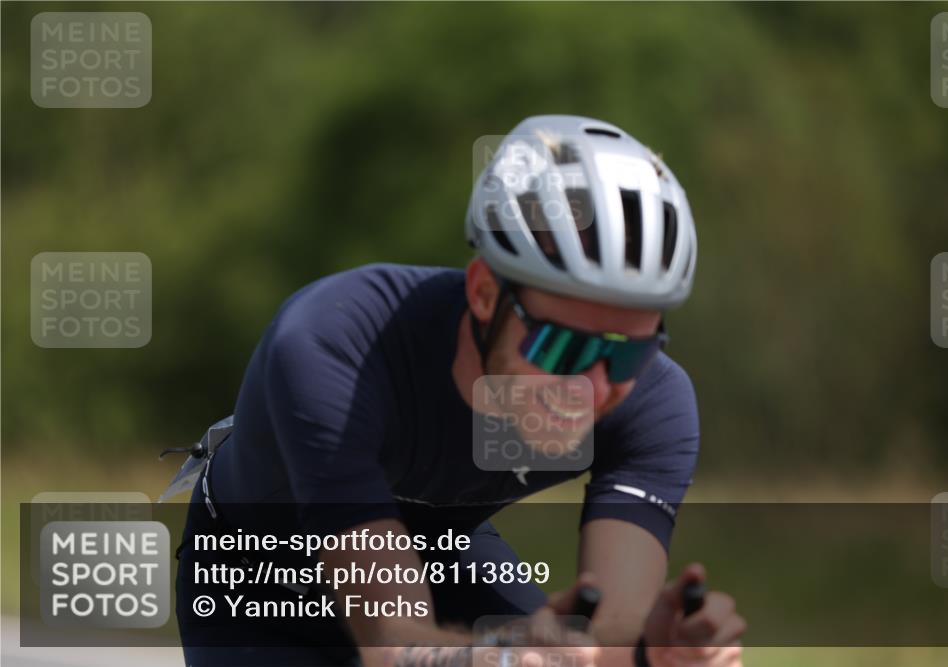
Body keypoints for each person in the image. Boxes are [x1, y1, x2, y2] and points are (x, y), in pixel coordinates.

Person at [174, 115, 745, 667]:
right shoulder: (333, 341)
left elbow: (608, 636)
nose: (592, 389)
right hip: (257, 580)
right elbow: (395, 644)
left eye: (627, 353)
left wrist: (648, 653)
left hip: (450, 557)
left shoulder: (654, 404)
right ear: (484, 295)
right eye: (561, 349)